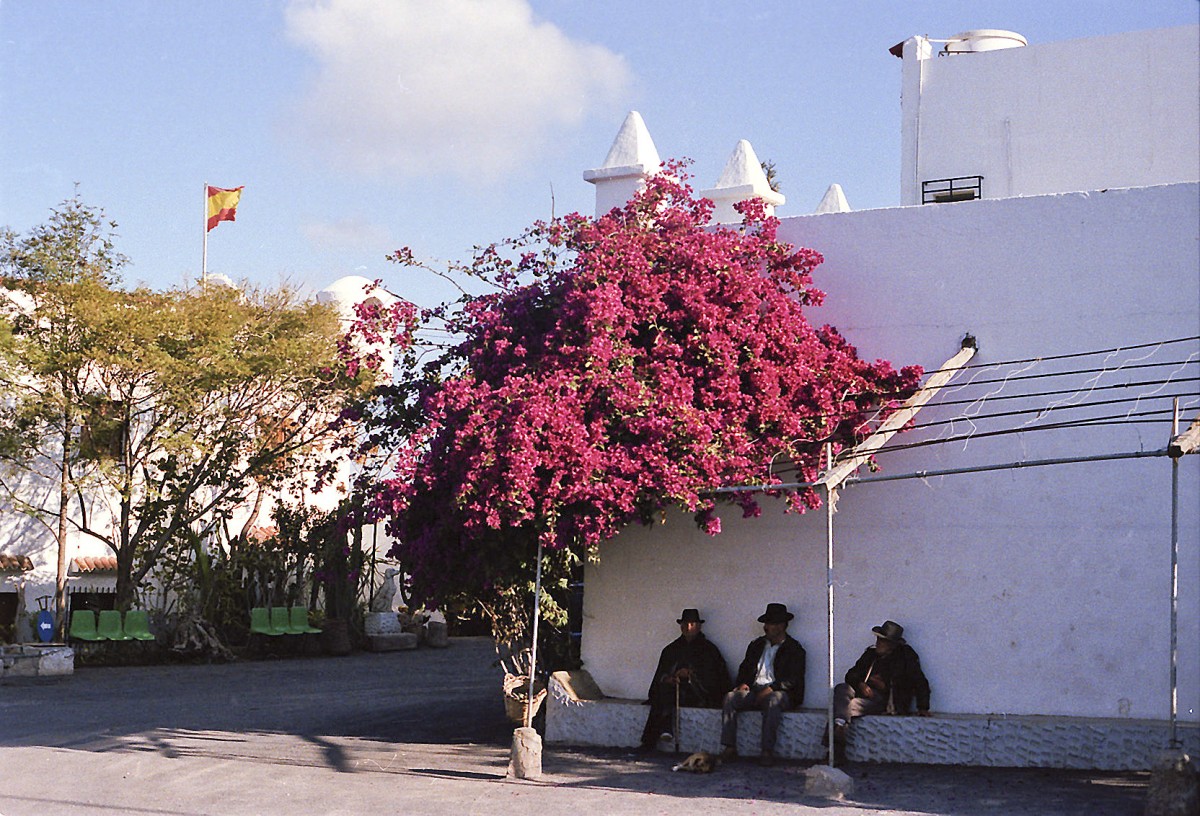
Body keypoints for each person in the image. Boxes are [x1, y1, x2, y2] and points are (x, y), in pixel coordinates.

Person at [830, 619, 931, 765]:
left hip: (887, 701)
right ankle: (840, 726)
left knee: (839, 709)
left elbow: (919, 681)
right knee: (842, 690)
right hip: (863, 697)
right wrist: (861, 684)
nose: (878, 643)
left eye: (882, 641)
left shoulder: (906, 657)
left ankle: (834, 751)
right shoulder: (871, 654)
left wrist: (923, 706)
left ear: (892, 644)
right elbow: (851, 674)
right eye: (878, 639)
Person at [719, 602, 806, 766]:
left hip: (778, 691)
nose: (766, 627)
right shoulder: (756, 645)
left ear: (781, 626)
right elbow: (744, 668)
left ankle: (767, 750)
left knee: (774, 700)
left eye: (770, 623)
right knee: (731, 698)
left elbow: (793, 679)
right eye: (766, 623)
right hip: (754, 689)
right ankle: (729, 747)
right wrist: (743, 683)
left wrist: (770, 689)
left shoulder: (794, 649)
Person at [639, 608, 732, 751]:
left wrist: (691, 675)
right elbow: (660, 675)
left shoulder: (708, 650)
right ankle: (652, 739)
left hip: (699, 694)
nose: (688, 627)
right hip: (673, 692)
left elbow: (716, 678)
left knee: (665, 696)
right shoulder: (671, 649)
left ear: (699, 626)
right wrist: (669, 678)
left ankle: (656, 736)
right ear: (681, 626)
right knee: (664, 692)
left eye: (692, 624)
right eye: (685, 624)